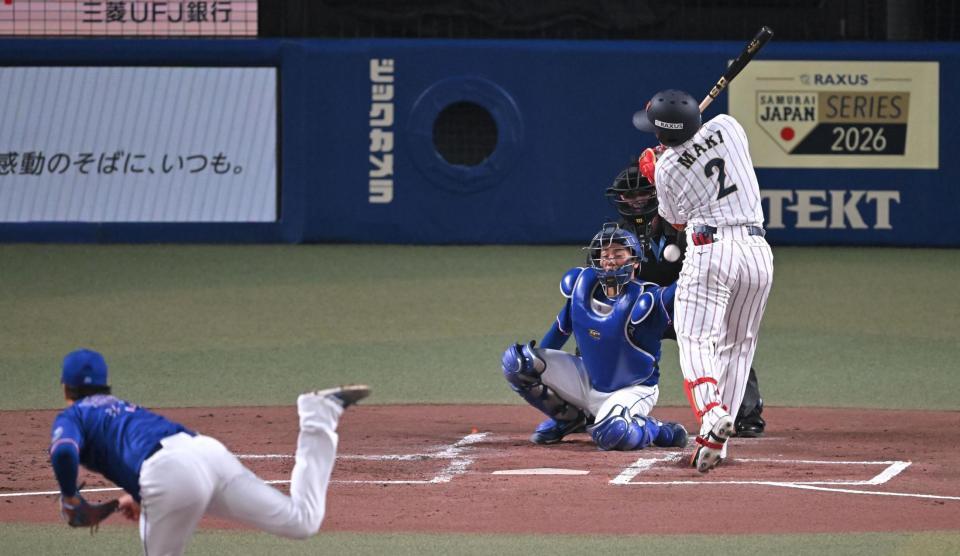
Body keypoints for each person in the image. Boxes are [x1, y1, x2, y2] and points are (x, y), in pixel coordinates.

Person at [49, 348, 370, 555]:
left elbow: (64, 453)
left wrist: (69, 497)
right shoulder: (123, 407)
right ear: (106, 385)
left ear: (65, 388)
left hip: (169, 474)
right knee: (301, 521)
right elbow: (157, 451)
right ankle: (318, 414)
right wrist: (140, 494)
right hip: (205, 453)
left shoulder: (73, 415)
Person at [633, 89, 774, 472]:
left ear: (663, 135)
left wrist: (659, 163)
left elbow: (676, 221)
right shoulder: (729, 126)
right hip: (758, 253)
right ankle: (716, 443)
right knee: (738, 346)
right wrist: (680, 144)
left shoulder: (666, 169)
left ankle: (711, 413)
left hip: (712, 250)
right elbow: (702, 142)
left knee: (696, 337)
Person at [605, 164, 767, 437]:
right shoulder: (614, 239)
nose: (636, 202)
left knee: (723, 341)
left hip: (690, 305)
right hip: (641, 314)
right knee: (601, 333)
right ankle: (591, 406)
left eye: (642, 194)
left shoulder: (685, 227)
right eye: (629, 197)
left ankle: (744, 412)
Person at [501, 223, 688, 451]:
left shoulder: (647, 299)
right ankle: (569, 419)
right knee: (518, 362)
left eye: (618, 254)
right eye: (604, 254)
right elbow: (558, 334)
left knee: (614, 434)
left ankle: (658, 430)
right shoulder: (581, 287)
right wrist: (540, 371)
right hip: (588, 379)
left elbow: (682, 289)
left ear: (635, 262)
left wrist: (698, 259)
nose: (609, 260)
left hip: (632, 389)